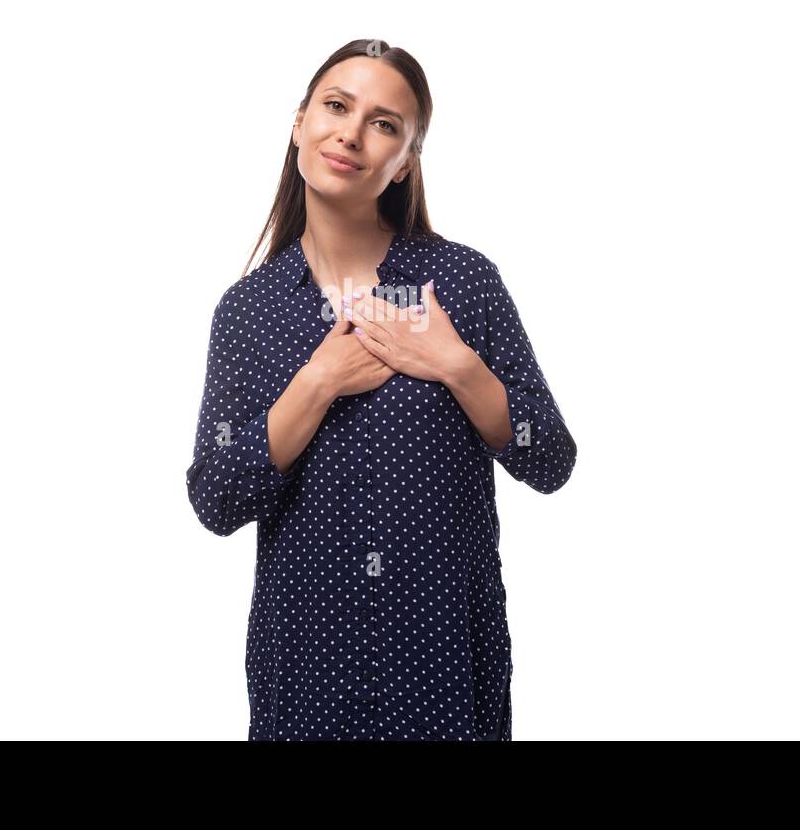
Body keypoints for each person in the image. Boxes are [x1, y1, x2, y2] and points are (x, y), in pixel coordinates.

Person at [186, 39, 577, 740]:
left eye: (385, 124)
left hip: (444, 671)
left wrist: (460, 368)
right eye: (337, 106)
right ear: (300, 121)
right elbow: (216, 497)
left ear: (405, 164)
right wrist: (316, 382)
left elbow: (548, 458)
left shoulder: (464, 284)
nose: (352, 132)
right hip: (306, 677)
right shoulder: (247, 312)